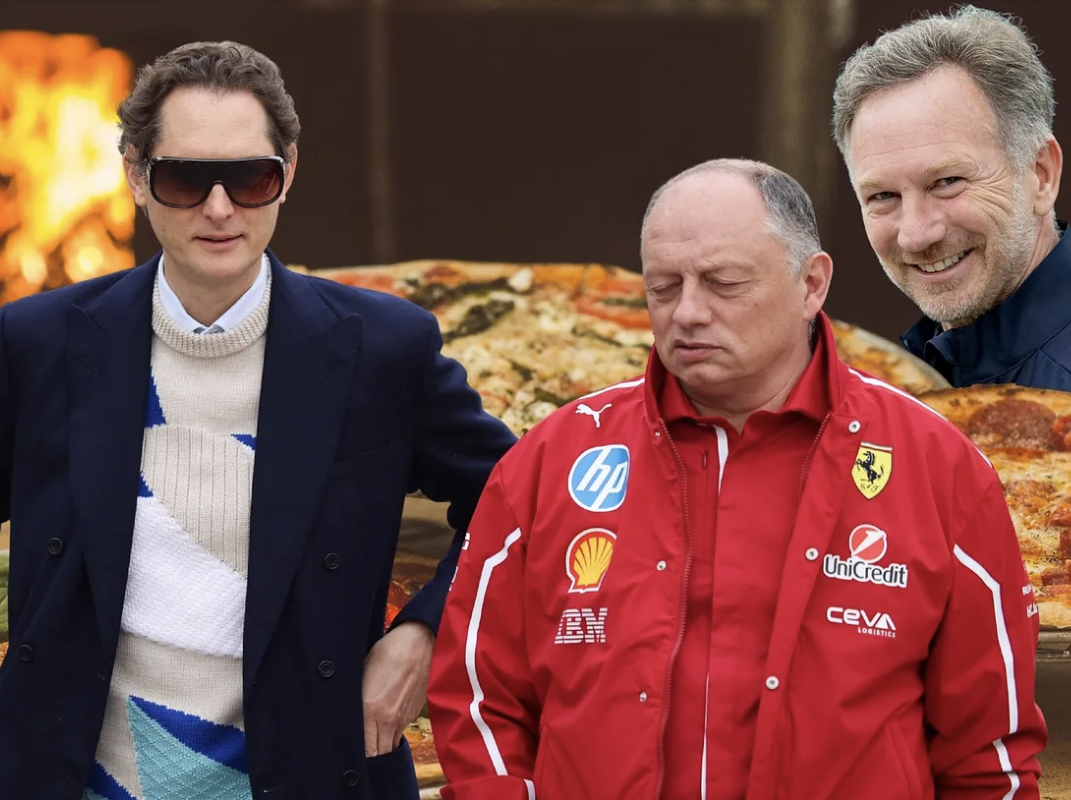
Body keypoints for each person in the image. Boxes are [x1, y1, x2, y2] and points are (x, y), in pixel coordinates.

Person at [0, 41, 516, 800]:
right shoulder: (41, 341)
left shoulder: (384, 349)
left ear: (288, 173)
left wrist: (424, 633)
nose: (220, 209)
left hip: (313, 775)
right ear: (135, 176)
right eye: (185, 179)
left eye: (250, 178)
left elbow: (517, 501)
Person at [426, 159, 1046, 799]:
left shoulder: (937, 466)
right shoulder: (548, 460)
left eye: (723, 283)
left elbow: (990, 754)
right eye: (663, 287)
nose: (688, 313)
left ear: (812, 284)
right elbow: (479, 699)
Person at [832, 5, 1071, 390]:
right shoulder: (872, 391)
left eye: (947, 181)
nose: (915, 235)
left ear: (1041, 175)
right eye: (883, 195)